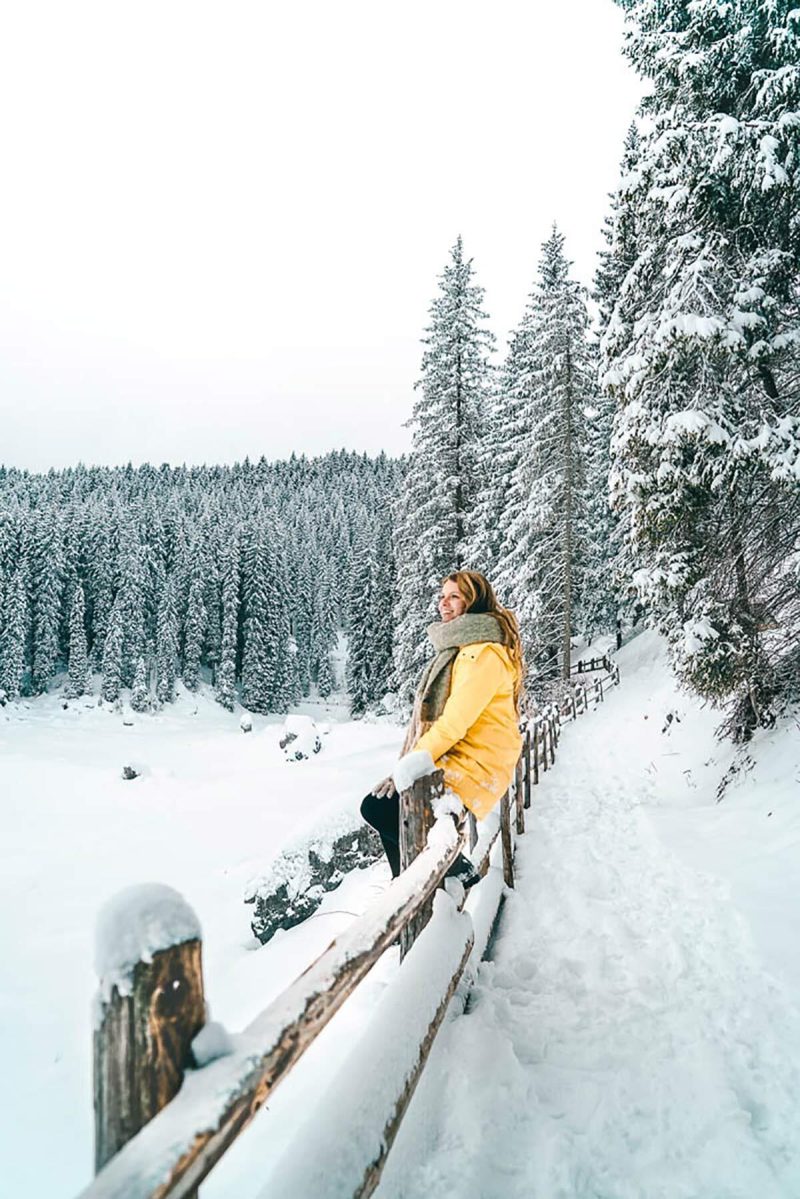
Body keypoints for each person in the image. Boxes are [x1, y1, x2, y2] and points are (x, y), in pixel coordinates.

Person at [361, 570, 524, 887]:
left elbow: (455, 721)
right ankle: (408, 882)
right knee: (384, 808)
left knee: (379, 808)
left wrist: (409, 765)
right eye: (441, 596)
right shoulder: (464, 649)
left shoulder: (483, 654)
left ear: (473, 601)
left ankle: (450, 876)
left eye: (454, 597)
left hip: (477, 762)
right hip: (465, 755)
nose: (443, 604)